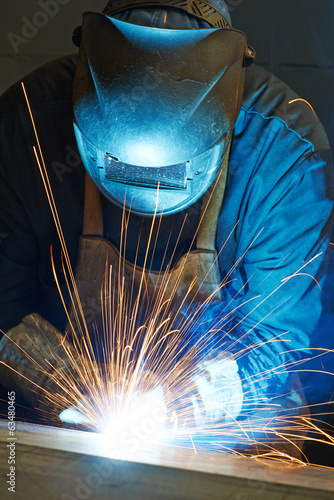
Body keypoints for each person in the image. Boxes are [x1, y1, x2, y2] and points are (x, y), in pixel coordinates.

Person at [0, 0, 333, 454]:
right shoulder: (26, 126)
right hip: (63, 434)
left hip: (229, 434)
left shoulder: (282, 152)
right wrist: (56, 378)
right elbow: (3, 307)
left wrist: (196, 398)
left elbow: (278, 336)